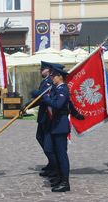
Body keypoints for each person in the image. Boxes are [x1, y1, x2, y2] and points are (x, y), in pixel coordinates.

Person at [42, 64, 71, 192]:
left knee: (61, 155)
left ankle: (65, 182)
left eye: (53, 76)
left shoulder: (63, 89)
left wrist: (46, 98)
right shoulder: (57, 88)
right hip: (56, 125)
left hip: (61, 125)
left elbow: (58, 105)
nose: (52, 78)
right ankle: (60, 177)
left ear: (59, 77)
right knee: (57, 154)